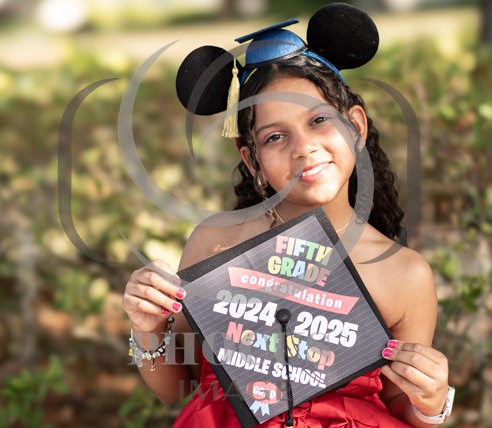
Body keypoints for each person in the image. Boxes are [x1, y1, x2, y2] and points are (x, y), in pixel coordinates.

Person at [123, 4, 453, 427]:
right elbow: (179, 386)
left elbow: (400, 406)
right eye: (275, 136)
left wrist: (432, 401)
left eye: (319, 120)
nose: (304, 147)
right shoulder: (216, 242)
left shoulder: (404, 274)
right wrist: (147, 328)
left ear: (356, 126)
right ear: (252, 159)